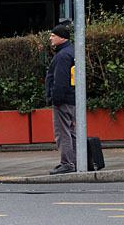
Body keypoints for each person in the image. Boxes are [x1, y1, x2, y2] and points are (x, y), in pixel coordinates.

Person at [46, 23, 76, 175]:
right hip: (72, 98)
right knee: (71, 132)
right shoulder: (71, 51)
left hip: (63, 100)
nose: (50, 38)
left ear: (61, 38)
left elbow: (60, 80)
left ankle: (67, 163)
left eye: (53, 35)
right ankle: (75, 160)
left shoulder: (63, 55)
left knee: (63, 132)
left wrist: (55, 99)